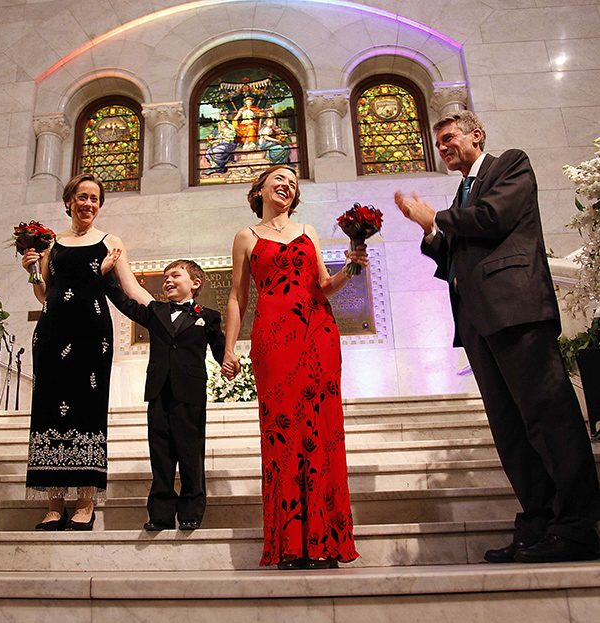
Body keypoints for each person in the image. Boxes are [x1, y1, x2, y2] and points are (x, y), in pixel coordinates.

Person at [395, 110, 600, 563]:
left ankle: (580, 525)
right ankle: (539, 524)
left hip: (518, 311)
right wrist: (429, 229)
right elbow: (453, 252)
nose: (444, 147)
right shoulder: (461, 193)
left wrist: (441, 217)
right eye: (440, 143)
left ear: (476, 135)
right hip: (478, 323)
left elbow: (492, 218)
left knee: (551, 419)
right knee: (510, 432)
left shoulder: (510, 164)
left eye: (449, 138)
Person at [222, 164, 365, 569]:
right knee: (282, 433)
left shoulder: (308, 232)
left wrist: (351, 267)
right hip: (272, 339)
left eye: (293, 183)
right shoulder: (245, 237)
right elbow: (236, 297)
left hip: (317, 332)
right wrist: (230, 348)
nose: (286, 185)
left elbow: (323, 285)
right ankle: (289, 545)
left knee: (320, 432)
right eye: (278, 180)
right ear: (260, 190)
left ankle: (324, 542)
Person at [20, 173, 146, 531]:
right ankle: (54, 503)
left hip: (92, 335)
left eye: (94, 198)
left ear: (100, 205)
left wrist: (166, 313)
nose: (87, 203)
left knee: (87, 411)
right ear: (69, 202)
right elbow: (45, 294)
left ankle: (86, 501)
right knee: (49, 412)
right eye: (81, 197)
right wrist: (31, 269)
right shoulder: (51, 245)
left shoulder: (111, 242)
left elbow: (131, 288)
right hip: (52, 333)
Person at [102, 259, 225, 531]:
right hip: (158, 392)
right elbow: (124, 302)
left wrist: (228, 364)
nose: (167, 280)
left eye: (175, 275)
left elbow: (219, 347)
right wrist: (107, 274)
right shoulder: (155, 311)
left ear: (195, 283)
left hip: (190, 394)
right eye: (165, 277)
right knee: (161, 455)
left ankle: (191, 511)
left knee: (191, 454)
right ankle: (161, 513)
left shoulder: (209, 315)